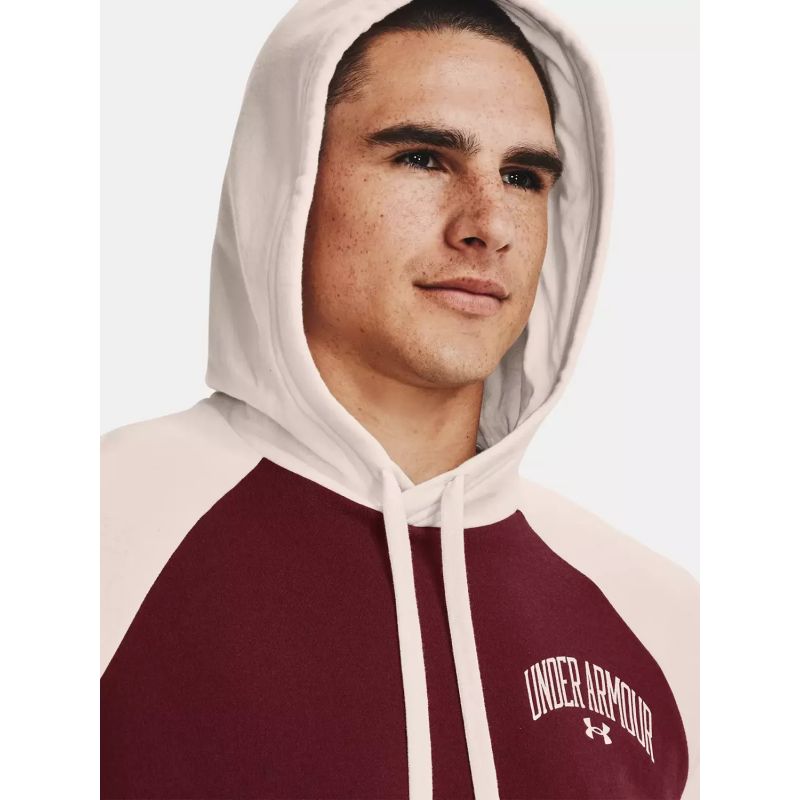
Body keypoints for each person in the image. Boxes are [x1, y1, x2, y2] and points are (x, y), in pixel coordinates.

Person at [100, 0, 699, 797]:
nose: (488, 225)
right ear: (287, 182)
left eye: (523, 177)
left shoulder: (664, 624)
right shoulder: (94, 533)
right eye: (422, 158)